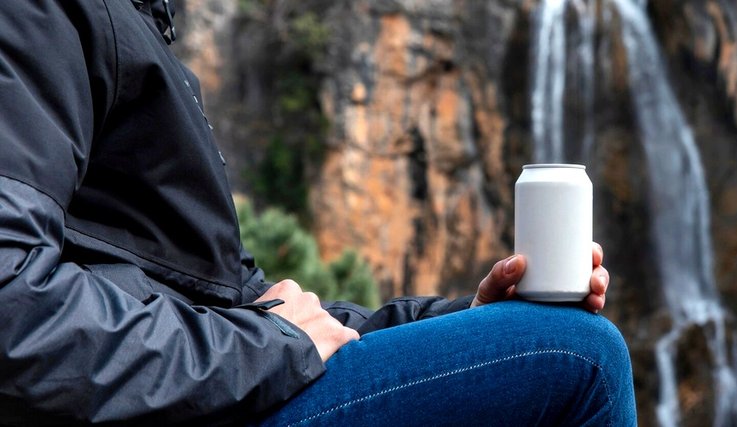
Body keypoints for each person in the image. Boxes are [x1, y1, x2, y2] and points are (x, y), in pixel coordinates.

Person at [0, 1, 637, 425]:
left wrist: (463, 323)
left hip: (205, 382)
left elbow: (241, 300)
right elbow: (11, 305)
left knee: (541, 336)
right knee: (579, 355)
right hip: (179, 402)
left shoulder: (128, 21)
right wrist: (271, 346)